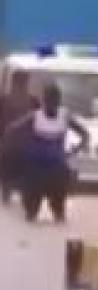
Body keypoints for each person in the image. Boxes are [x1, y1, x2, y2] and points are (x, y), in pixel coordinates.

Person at [8, 83, 88, 223]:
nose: (51, 104)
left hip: (56, 166)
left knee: (59, 209)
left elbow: (85, 135)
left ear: (59, 101)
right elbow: (12, 129)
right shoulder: (34, 116)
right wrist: (21, 147)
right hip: (35, 166)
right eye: (49, 100)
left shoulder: (65, 116)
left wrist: (74, 150)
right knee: (31, 210)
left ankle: (57, 213)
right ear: (44, 101)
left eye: (54, 100)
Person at [0, 71, 39, 204]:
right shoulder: (33, 101)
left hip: (10, 145)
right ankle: (23, 200)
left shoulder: (4, 100)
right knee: (24, 177)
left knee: (7, 178)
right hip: (24, 146)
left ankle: (9, 199)